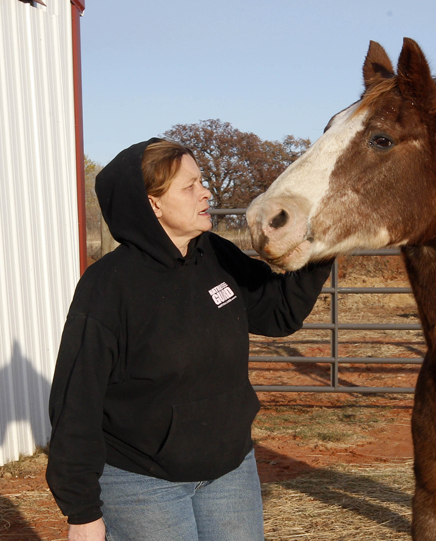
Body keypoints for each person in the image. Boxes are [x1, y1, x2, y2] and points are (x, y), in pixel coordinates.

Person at [46, 138, 332, 541]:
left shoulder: (213, 253)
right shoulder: (109, 286)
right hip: (142, 481)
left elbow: (277, 312)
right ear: (153, 204)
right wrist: (82, 512)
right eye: (190, 186)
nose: (206, 192)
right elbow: (76, 401)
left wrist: (323, 246)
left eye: (202, 182)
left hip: (230, 470)